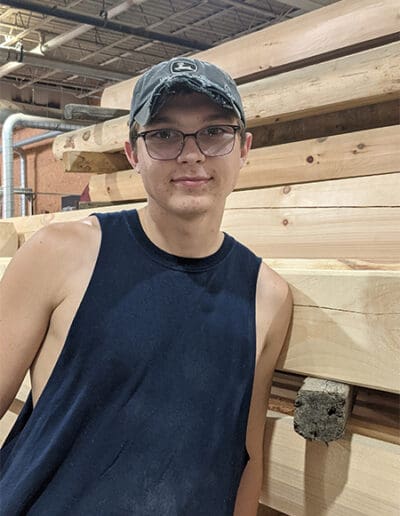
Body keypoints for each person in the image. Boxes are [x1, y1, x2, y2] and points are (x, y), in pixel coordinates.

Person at [0, 57, 293, 515]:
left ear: (244, 148)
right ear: (134, 153)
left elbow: (244, 457)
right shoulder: (61, 254)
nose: (191, 153)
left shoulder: (267, 297)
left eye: (214, 132)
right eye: (164, 135)